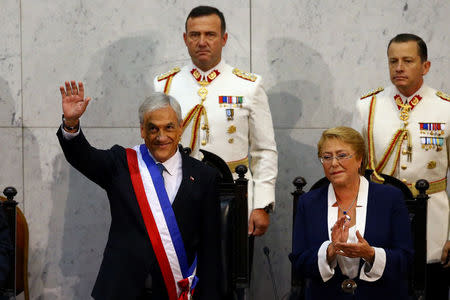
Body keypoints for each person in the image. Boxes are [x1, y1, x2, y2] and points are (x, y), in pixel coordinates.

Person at [57, 81, 221, 299]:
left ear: (181, 128)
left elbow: (210, 250)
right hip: (122, 290)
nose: (161, 136)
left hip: (175, 291)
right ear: (142, 130)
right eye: (153, 128)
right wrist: (71, 122)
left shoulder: (204, 177)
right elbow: (82, 156)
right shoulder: (121, 164)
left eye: (169, 127)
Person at [154, 6, 278, 237]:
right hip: (177, 193)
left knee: (230, 269)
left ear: (224, 39)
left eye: (210, 35)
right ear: (185, 39)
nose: (202, 41)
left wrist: (262, 204)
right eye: (195, 35)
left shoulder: (248, 86)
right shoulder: (165, 85)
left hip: (233, 194)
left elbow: (264, 150)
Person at [352, 33, 449, 298]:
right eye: (393, 61)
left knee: (430, 289)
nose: (399, 67)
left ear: (425, 66)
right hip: (380, 216)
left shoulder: (445, 108)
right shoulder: (367, 105)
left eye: (408, 60)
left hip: (433, 220)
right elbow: (353, 168)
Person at [290, 127, 413, 299]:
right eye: (327, 157)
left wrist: (371, 254)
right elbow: (299, 262)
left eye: (341, 155)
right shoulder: (309, 202)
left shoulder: (390, 198)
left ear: (359, 159)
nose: (333, 163)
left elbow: (406, 259)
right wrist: (329, 251)